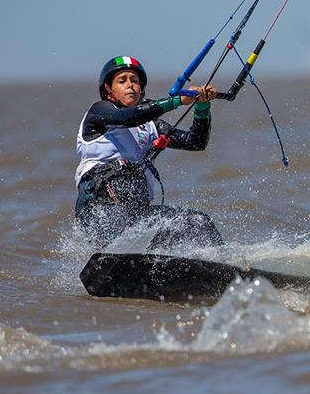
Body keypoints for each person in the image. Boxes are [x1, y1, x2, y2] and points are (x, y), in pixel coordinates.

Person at [75, 55, 224, 249]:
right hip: (99, 209)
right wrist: (176, 101)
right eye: (122, 81)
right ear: (108, 90)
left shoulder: (151, 126)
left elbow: (195, 142)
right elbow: (127, 118)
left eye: (135, 81)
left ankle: (226, 268)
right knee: (125, 200)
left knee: (198, 222)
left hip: (136, 215)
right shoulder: (99, 112)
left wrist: (202, 106)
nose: (130, 85)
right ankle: (113, 257)